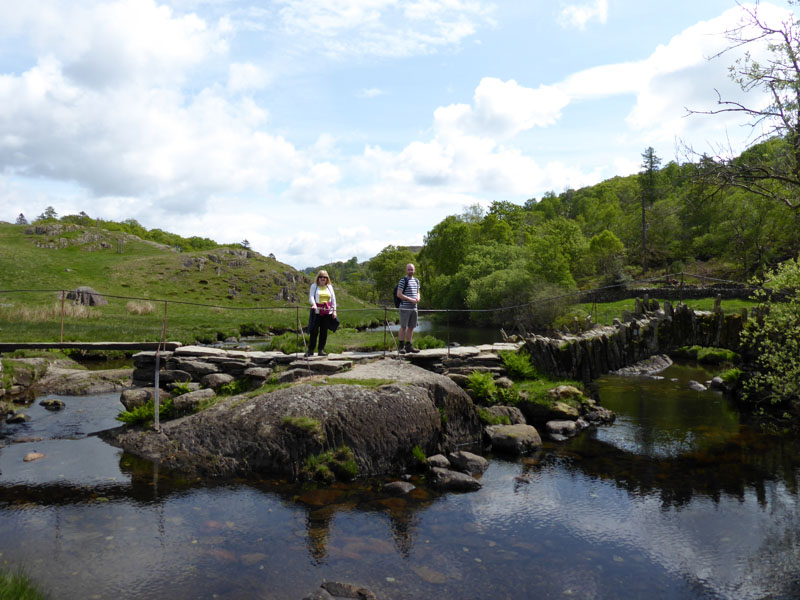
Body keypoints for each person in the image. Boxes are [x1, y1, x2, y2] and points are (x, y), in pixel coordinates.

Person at [307, 270, 337, 357]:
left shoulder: (329, 287)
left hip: (327, 312)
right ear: (318, 278)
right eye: (321, 277)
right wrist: (314, 304)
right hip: (316, 311)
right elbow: (311, 296)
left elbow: (333, 299)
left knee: (324, 331)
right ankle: (311, 350)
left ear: (327, 278)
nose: (323, 279)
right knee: (314, 331)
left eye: (325, 277)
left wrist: (334, 311)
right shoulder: (314, 286)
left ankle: (321, 350)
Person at [396, 263, 421, 354]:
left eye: (412, 269)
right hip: (405, 307)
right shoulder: (403, 281)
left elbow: (418, 292)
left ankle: (409, 346)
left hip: (414, 307)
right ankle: (401, 346)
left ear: (414, 270)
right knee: (403, 326)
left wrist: (418, 298)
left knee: (411, 327)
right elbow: (399, 294)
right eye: (409, 269)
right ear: (406, 270)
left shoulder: (417, 281)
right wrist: (410, 299)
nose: (410, 271)